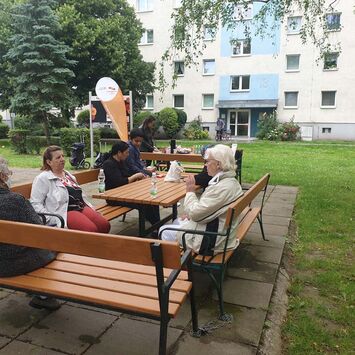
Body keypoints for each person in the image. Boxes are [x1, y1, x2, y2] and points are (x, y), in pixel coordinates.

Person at [159, 144, 243, 255]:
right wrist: (191, 215)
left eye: (208, 161)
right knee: (177, 221)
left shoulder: (220, 188)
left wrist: (190, 191)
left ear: (218, 164)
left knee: (163, 231)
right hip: (220, 231)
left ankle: (175, 265)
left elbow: (195, 214)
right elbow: (207, 209)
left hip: (211, 241)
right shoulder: (230, 182)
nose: (205, 165)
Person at [0, 156, 60, 310]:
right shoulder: (15, 201)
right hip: (11, 265)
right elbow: (39, 232)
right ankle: (43, 295)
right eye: (8, 174)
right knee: (54, 245)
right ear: (1, 176)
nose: (8, 177)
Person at [30, 146, 110, 233]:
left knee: (104, 225)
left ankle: (97, 246)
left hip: (80, 207)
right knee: (90, 230)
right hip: (64, 212)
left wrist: (91, 208)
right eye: (58, 157)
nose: (62, 159)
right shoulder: (43, 178)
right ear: (49, 162)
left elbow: (81, 197)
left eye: (63, 156)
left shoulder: (68, 175)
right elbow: (35, 203)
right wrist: (52, 219)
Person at [103, 141, 160, 229]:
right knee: (144, 203)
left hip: (125, 193)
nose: (128, 154)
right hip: (114, 197)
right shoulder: (109, 164)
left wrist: (139, 177)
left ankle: (157, 226)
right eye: (126, 152)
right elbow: (120, 182)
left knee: (152, 199)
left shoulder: (121, 162)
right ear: (119, 153)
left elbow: (128, 174)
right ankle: (158, 227)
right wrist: (136, 176)